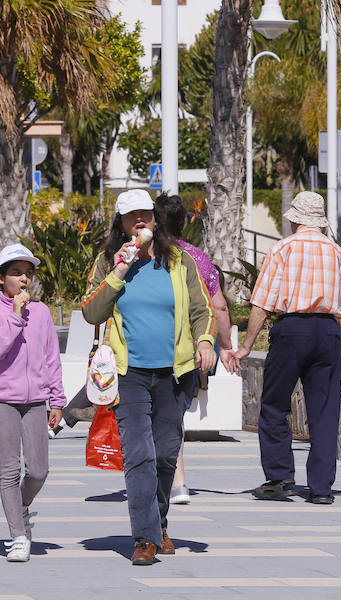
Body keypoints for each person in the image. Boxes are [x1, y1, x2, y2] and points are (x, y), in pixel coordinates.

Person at [81, 189, 217, 565]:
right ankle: (144, 538)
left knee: (165, 455)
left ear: (155, 219)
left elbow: (203, 309)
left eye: (145, 214)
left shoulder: (180, 260)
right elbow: (91, 313)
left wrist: (205, 341)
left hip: (176, 373)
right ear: (121, 223)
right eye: (131, 216)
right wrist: (119, 271)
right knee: (139, 454)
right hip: (130, 374)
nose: (139, 221)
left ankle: (158, 524)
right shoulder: (109, 260)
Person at [228, 191, 341, 505]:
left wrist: (247, 346)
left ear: (294, 219)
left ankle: (279, 478)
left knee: (275, 404)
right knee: (324, 411)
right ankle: (321, 489)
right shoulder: (337, 252)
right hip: (328, 332)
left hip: (291, 330)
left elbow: (261, 304)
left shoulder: (282, 249)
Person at [0, 244, 66, 562]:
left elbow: (51, 358)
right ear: (0, 278)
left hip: (36, 401)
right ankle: (18, 534)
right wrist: (15, 317)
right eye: (16, 273)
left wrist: (57, 399)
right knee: (9, 469)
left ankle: (20, 506)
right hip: (3, 399)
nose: (23, 279)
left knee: (39, 471)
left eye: (27, 274)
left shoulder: (41, 312)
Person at [154, 194, 233, 505]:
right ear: (183, 223)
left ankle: (168, 478)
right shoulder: (197, 258)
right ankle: (179, 482)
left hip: (156, 346)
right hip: (191, 350)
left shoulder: (147, 256)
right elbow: (220, 306)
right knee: (174, 416)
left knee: (155, 415)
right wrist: (225, 346)